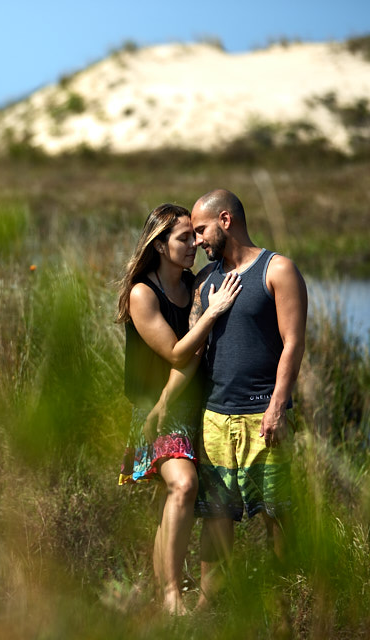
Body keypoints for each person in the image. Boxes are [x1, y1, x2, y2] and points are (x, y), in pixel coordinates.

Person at [116, 203, 242, 614]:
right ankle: (171, 597)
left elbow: (198, 357)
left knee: (175, 498)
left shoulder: (195, 285)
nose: (194, 245)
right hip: (154, 410)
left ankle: (167, 592)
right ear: (159, 245)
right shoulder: (142, 293)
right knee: (183, 486)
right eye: (183, 238)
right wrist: (213, 312)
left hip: (195, 406)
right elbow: (175, 353)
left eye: (194, 236)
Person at [188, 189, 307, 608]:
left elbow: (293, 343)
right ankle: (208, 606)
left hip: (262, 416)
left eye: (200, 230)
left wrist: (277, 406)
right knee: (215, 518)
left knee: (277, 515)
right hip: (215, 418)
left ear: (225, 220)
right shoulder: (206, 280)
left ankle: (286, 605)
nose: (197, 240)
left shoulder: (278, 270)